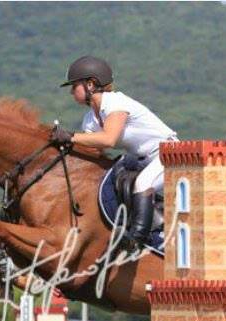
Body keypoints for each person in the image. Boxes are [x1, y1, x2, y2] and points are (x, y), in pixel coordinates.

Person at [51, 56, 177, 251]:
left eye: (74, 85)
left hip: (169, 155)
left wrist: (70, 137)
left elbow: (108, 139)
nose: (70, 91)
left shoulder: (115, 102)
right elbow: (93, 150)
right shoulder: (90, 120)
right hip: (145, 160)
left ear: (90, 84)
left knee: (143, 183)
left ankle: (137, 239)